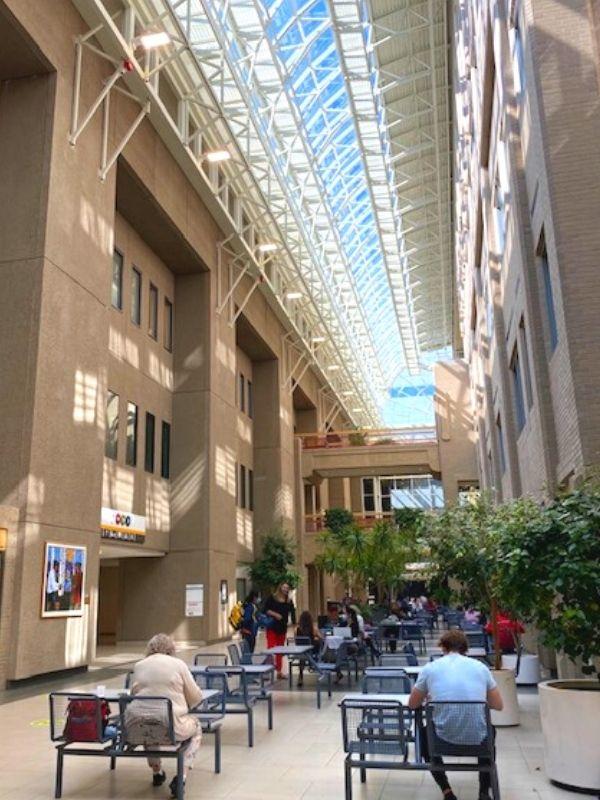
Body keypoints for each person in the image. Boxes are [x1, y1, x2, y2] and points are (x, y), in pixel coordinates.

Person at [408, 629, 503, 800]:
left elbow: (412, 704)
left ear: (442, 647)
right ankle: (483, 792)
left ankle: (447, 791)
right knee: (490, 732)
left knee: (423, 735)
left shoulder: (430, 669)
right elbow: (498, 704)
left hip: (440, 742)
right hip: (478, 742)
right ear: (465, 649)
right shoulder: (481, 668)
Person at [128, 634, 202, 799]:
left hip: (138, 727)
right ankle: (181, 778)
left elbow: (134, 693)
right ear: (171, 649)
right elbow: (196, 696)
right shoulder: (178, 664)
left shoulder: (139, 665)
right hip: (172, 725)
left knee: (149, 726)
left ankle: (157, 772)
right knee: (196, 729)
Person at [263, 582, 296, 678]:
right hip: (272, 626)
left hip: (282, 627)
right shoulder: (272, 598)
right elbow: (265, 610)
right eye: (284, 587)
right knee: (270, 648)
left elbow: (293, 613)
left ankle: (279, 672)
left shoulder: (289, 600)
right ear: (280, 587)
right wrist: (275, 614)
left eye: (287, 588)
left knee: (280, 650)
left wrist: (294, 625)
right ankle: (267, 670)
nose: (286, 589)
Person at [296, 610, 322, 687]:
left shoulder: (297, 629)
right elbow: (321, 638)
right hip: (311, 651)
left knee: (303, 657)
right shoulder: (313, 629)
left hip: (301, 651)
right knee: (319, 643)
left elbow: (296, 640)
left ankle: (300, 676)